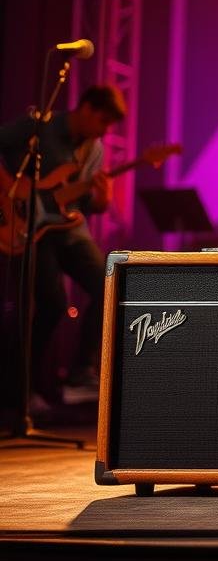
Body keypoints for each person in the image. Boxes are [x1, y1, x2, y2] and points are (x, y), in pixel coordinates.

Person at [0, 84, 127, 413]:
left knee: (111, 284)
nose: (104, 130)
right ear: (85, 107)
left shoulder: (94, 150)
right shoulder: (39, 126)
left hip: (68, 229)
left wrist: (102, 199)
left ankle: (81, 372)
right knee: (52, 304)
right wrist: (16, 189)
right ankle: (20, 391)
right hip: (29, 228)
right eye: (102, 120)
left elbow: (87, 203)